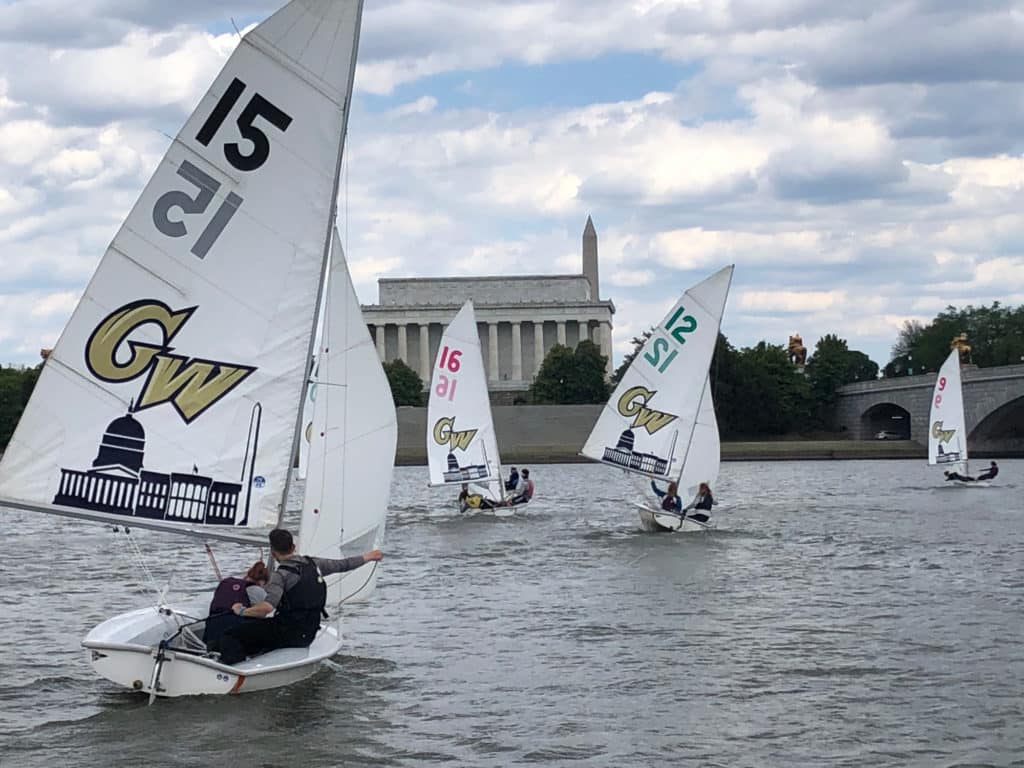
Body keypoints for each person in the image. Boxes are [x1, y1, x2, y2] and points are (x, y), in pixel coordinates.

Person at [211, 529, 383, 665]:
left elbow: (266, 609)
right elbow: (343, 565)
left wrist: (241, 610)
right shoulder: (315, 564)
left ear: (273, 552)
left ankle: (231, 670)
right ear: (293, 547)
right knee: (255, 630)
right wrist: (369, 556)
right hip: (308, 632)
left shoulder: (280, 575)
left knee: (231, 635)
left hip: (288, 634)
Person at [203, 561, 269, 646]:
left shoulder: (227, 584)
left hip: (211, 628)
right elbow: (262, 613)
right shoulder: (258, 590)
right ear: (262, 581)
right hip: (234, 632)